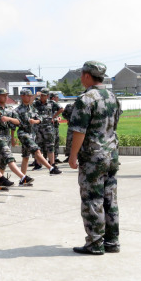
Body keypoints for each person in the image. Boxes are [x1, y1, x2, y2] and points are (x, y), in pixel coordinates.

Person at [69, 61, 121, 255]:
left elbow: (79, 131)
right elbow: (114, 125)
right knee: (110, 198)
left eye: (81, 75)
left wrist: (73, 155)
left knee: (92, 199)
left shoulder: (86, 99)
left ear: (87, 76)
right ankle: (112, 241)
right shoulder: (112, 96)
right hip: (111, 154)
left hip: (93, 157)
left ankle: (95, 243)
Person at [0, 88, 40, 190]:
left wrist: (9, 119)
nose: (6, 97)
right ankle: (23, 177)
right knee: (9, 157)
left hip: (7, 136)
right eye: (3, 95)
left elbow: (18, 121)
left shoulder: (10, 108)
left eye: (6, 95)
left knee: (2, 162)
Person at [14, 89, 60, 177]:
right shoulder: (17, 110)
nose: (30, 97)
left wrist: (35, 121)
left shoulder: (32, 108)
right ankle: (51, 168)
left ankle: (23, 178)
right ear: (22, 96)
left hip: (32, 133)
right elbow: (15, 124)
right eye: (28, 95)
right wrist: (12, 137)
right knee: (37, 150)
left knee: (26, 157)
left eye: (30, 96)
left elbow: (39, 118)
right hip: (24, 133)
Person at [34, 88, 63, 167]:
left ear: (47, 96)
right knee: (38, 146)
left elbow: (61, 109)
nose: (42, 97)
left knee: (50, 145)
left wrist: (53, 117)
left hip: (48, 128)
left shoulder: (51, 103)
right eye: (41, 95)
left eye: (43, 95)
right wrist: (35, 95)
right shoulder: (36, 103)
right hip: (38, 127)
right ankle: (38, 164)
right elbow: (28, 104)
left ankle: (52, 164)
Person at [50, 91, 63, 164]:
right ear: (53, 98)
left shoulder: (52, 104)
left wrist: (57, 117)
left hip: (55, 125)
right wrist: (54, 117)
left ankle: (55, 157)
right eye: (57, 97)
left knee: (56, 141)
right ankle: (52, 158)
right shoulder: (52, 103)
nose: (58, 98)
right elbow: (61, 109)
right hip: (51, 126)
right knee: (53, 142)